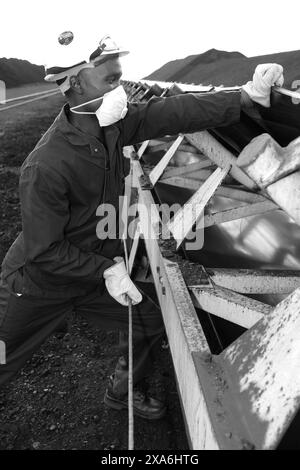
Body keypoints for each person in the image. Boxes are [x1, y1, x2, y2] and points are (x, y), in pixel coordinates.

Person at [0, 31, 284, 420]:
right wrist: (106, 269)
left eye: (121, 77)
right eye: (111, 81)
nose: (122, 91)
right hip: (37, 285)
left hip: (92, 278)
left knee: (149, 320)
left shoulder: (114, 127)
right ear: (76, 84)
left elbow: (174, 111)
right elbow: (44, 250)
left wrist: (244, 95)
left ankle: (123, 390)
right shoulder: (45, 166)